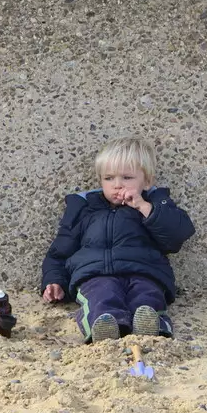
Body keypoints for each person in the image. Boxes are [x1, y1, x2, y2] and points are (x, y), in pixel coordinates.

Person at [41, 135, 195, 341]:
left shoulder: (155, 204)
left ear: (147, 181)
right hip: (94, 275)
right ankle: (104, 327)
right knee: (101, 297)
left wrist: (144, 207)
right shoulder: (85, 208)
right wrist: (53, 280)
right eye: (109, 178)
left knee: (147, 296)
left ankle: (152, 324)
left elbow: (177, 235)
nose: (117, 185)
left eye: (127, 178)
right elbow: (59, 251)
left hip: (144, 271)